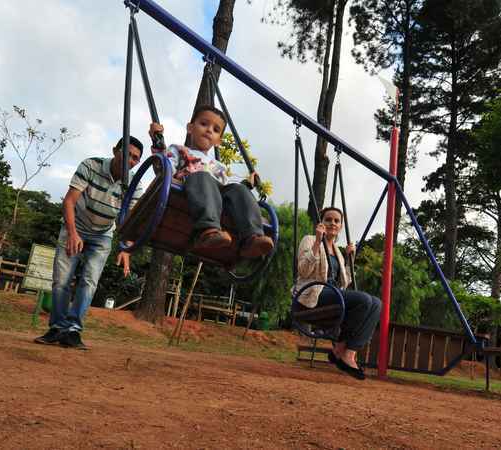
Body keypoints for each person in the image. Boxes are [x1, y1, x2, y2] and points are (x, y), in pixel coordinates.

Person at [34, 136, 145, 350]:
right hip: (75, 226)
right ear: (115, 150)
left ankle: (73, 330)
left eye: (135, 158)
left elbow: (130, 220)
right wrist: (73, 234)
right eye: (127, 154)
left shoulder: (133, 185)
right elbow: (69, 201)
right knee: (61, 279)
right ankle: (57, 328)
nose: (129, 160)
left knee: (89, 281)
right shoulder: (90, 165)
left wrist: (125, 248)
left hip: (103, 235)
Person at [148, 105, 273, 257]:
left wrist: (247, 185)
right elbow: (163, 169)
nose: (209, 130)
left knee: (239, 190)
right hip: (189, 191)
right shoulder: (180, 150)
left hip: (215, 198)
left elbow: (228, 190)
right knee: (203, 176)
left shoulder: (218, 166)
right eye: (204, 124)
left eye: (215, 129)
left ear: (218, 141)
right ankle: (208, 230)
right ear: (190, 128)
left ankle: (252, 237)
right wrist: (157, 141)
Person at [293, 207, 381, 380]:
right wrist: (318, 242)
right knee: (364, 300)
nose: (332, 223)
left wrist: (350, 260)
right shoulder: (309, 240)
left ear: (340, 226)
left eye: (336, 221)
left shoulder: (339, 252)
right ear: (321, 223)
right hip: (313, 294)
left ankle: (346, 351)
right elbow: (303, 271)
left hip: (333, 294)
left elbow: (344, 283)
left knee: (377, 303)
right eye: (328, 219)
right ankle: (343, 350)